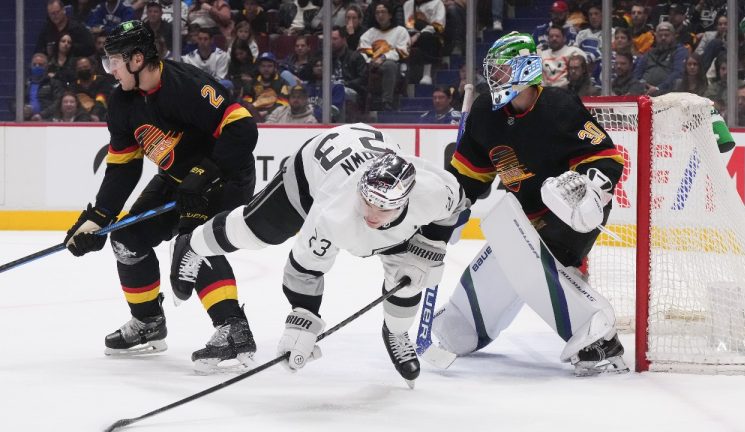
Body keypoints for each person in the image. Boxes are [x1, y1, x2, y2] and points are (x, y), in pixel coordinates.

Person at [169, 124, 470, 386]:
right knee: (256, 230)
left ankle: (396, 333)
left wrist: (432, 246)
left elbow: (456, 207)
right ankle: (192, 244)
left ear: (406, 199)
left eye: (384, 207)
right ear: (361, 189)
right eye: (368, 201)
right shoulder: (335, 213)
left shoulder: (432, 193)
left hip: (368, 154)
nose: (372, 215)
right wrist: (302, 319)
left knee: (410, 275)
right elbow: (303, 269)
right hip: (312, 171)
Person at [63, 20, 259, 374]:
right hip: (176, 179)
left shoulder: (186, 85)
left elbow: (242, 128)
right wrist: (98, 219)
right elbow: (123, 168)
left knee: (193, 244)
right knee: (126, 240)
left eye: (115, 63)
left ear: (137, 59)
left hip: (225, 177)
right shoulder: (122, 103)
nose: (110, 72)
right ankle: (149, 322)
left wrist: (204, 174)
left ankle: (233, 329)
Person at [431, 32, 630, 376]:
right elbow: (469, 176)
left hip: (570, 211)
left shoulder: (559, 106)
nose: (494, 78)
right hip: (522, 218)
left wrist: (587, 190)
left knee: (530, 262)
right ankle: (466, 322)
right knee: (460, 322)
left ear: (525, 69)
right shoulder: (485, 112)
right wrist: (446, 208)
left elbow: (607, 158)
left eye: (502, 70)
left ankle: (598, 336)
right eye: (493, 71)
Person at [358, 2, 410, 111]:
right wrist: (371, 60)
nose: (380, 15)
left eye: (383, 12)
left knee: (390, 65)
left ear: (390, 15)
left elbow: (403, 51)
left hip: (393, 66)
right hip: (371, 65)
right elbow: (363, 50)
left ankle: (387, 102)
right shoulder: (370, 33)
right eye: (377, 13)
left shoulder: (400, 31)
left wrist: (383, 57)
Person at [633, 21, 687, 96]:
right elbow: (637, 73)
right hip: (645, 91)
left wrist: (659, 88)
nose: (663, 38)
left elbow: (678, 73)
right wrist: (642, 85)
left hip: (667, 92)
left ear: (673, 36)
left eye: (666, 35)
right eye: (660, 35)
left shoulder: (679, 51)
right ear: (656, 37)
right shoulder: (649, 53)